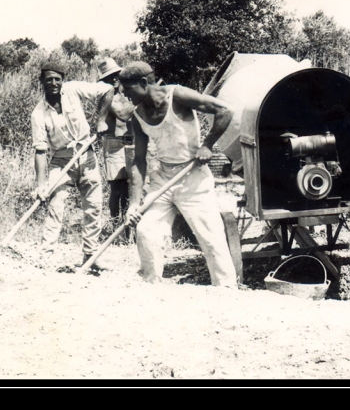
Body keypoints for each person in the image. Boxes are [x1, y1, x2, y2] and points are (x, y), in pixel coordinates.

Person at [120, 61, 238, 287]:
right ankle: (151, 285)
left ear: (144, 83)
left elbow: (225, 110)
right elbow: (139, 161)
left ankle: (226, 290)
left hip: (193, 177)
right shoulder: (137, 116)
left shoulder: (178, 95)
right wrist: (134, 204)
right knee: (146, 231)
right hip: (163, 178)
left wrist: (207, 145)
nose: (125, 96)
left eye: (128, 90)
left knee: (211, 238)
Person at [31, 62, 114, 269]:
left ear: (62, 80)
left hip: (86, 155)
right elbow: (40, 151)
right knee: (55, 206)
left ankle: (90, 256)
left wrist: (101, 120)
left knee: (93, 207)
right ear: (42, 81)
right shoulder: (38, 113)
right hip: (60, 160)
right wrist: (41, 185)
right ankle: (45, 257)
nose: (53, 83)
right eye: (48, 79)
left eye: (57, 79)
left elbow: (108, 89)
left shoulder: (73, 89)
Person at [97, 58, 136, 232]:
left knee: (130, 186)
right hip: (114, 144)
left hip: (130, 143)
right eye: (110, 76)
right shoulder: (107, 96)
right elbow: (123, 115)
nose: (114, 78)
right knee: (117, 188)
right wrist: (141, 100)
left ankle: (127, 228)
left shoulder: (126, 93)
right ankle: (114, 226)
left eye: (116, 75)